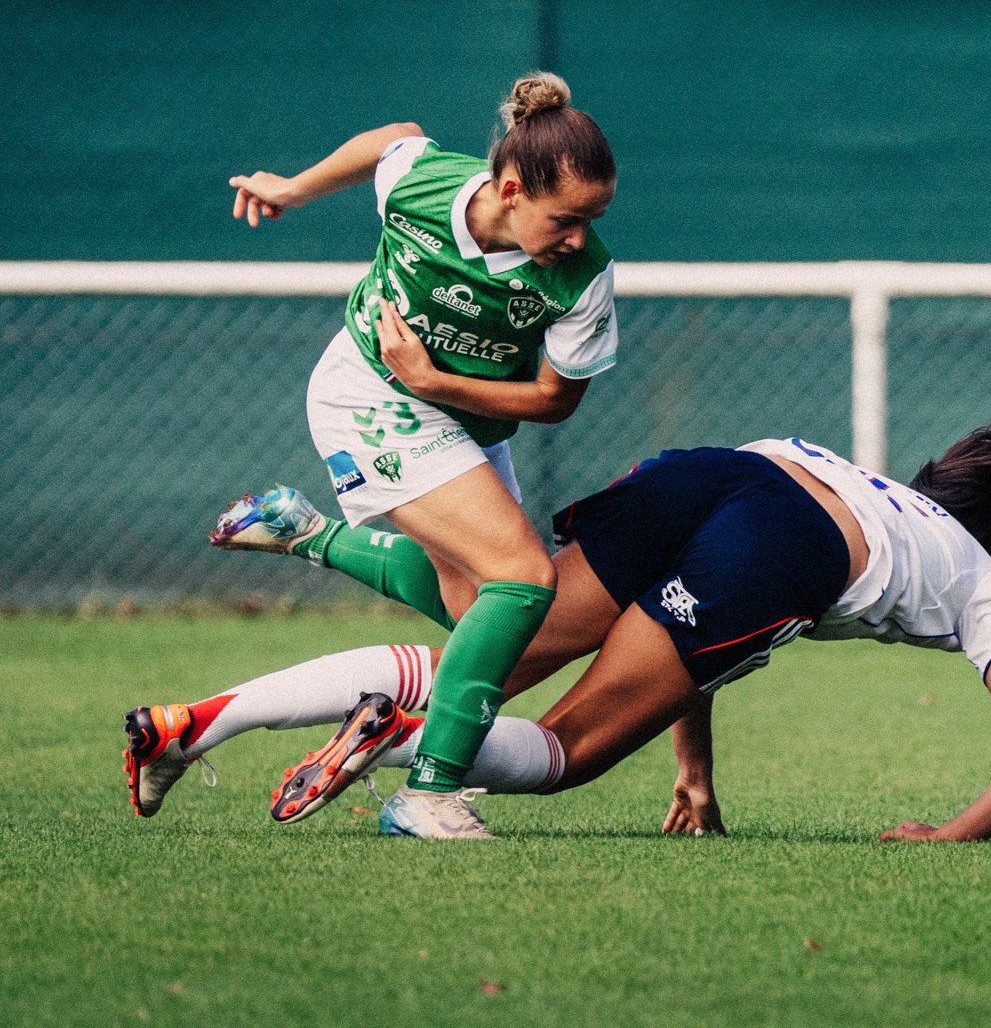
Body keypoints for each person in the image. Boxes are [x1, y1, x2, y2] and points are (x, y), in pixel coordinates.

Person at [123, 425, 991, 842]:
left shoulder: (867, 480)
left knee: (481, 639)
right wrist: (946, 838)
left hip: (726, 469)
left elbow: (702, 658)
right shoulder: (977, 575)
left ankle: (195, 718)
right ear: (984, 529)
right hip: (789, 542)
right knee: (568, 750)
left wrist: (694, 775)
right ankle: (402, 740)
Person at [123, 73, 622, 836]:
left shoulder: (581, 277)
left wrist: (436, 377)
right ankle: (429, 794)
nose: (579, 237)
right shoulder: (425, 185)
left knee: (479, 611)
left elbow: (555, 401)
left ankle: (308, 534)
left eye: (593, 218)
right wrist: (291, 190)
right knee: (522, 579)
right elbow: (393, 139)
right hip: (368, 397)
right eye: (567, 218)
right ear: (511, 189)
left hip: (455, 413)